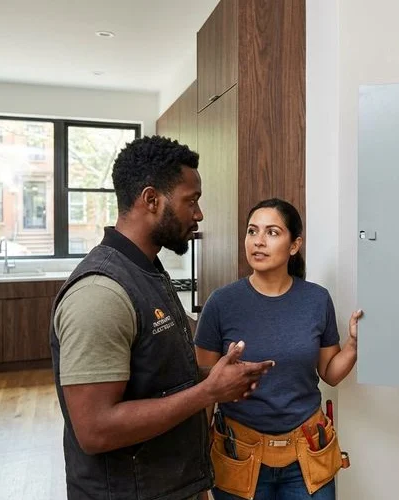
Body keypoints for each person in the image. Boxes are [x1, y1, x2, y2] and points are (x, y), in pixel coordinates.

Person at [50, 136, 274, 500]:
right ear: (151, 199)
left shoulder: (148, 271)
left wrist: (213, 377)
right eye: (192, 200)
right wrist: (208, 392)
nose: (199, 214)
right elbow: (95, 430)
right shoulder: (100, 294)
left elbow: (154, 378)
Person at [195, 198, 362, 500]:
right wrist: (197, 464)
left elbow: (330, 373)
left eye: (272, 232)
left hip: (307, 452)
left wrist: (353, 345)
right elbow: (204, 389)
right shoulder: (222, 303)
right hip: (238, 455)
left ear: (294, 245)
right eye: (252, 231)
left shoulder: (316, 300)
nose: (258, 241)